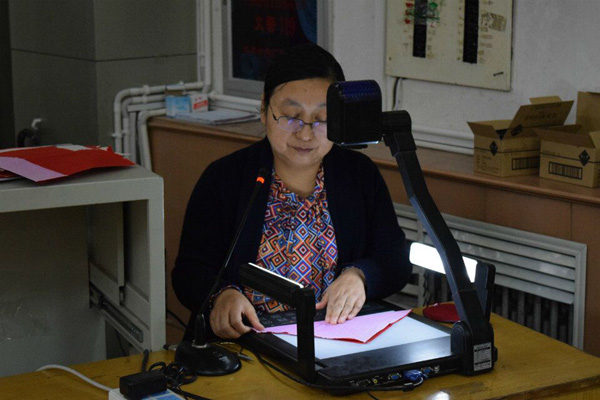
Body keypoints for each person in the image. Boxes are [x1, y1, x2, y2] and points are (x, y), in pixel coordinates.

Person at [172, 43, 411, 340]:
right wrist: (221, 295)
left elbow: (395, 260)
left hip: (334, 340)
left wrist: (360, 275)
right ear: (264, 109)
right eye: (290, 116)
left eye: (322, 119)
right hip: (245, 343)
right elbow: (189, 272)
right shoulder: (225, 178)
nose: (306, 133)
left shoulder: (359, 175)